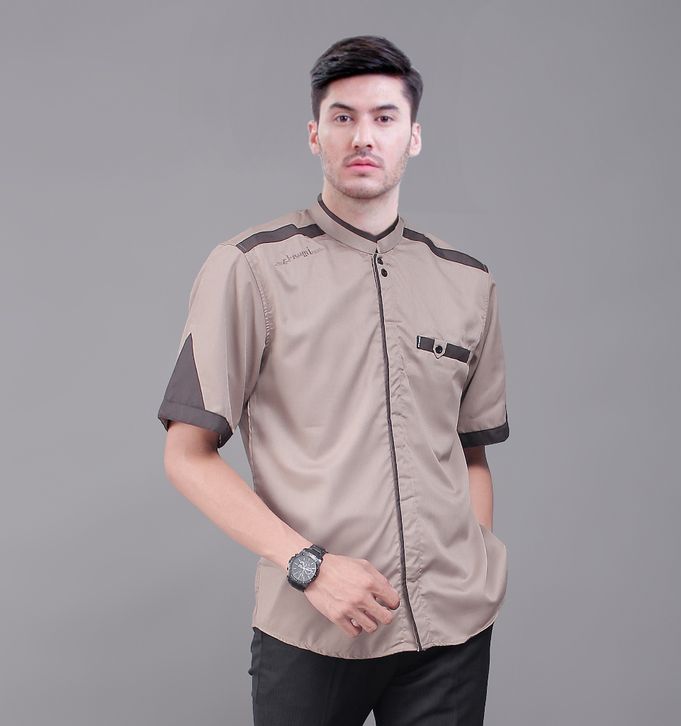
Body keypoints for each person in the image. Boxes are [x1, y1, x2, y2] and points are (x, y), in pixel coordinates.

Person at [157, 34, 511, 726]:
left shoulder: (467, 282)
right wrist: (309, 567)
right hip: (312, 631)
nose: (363, 136)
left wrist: (471, 568)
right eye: (343, 117)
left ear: (414, 137)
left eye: (385, 117)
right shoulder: (249, 268)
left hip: (450, 636)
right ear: (315, 134)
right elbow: (186, 455)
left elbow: (471, 454)